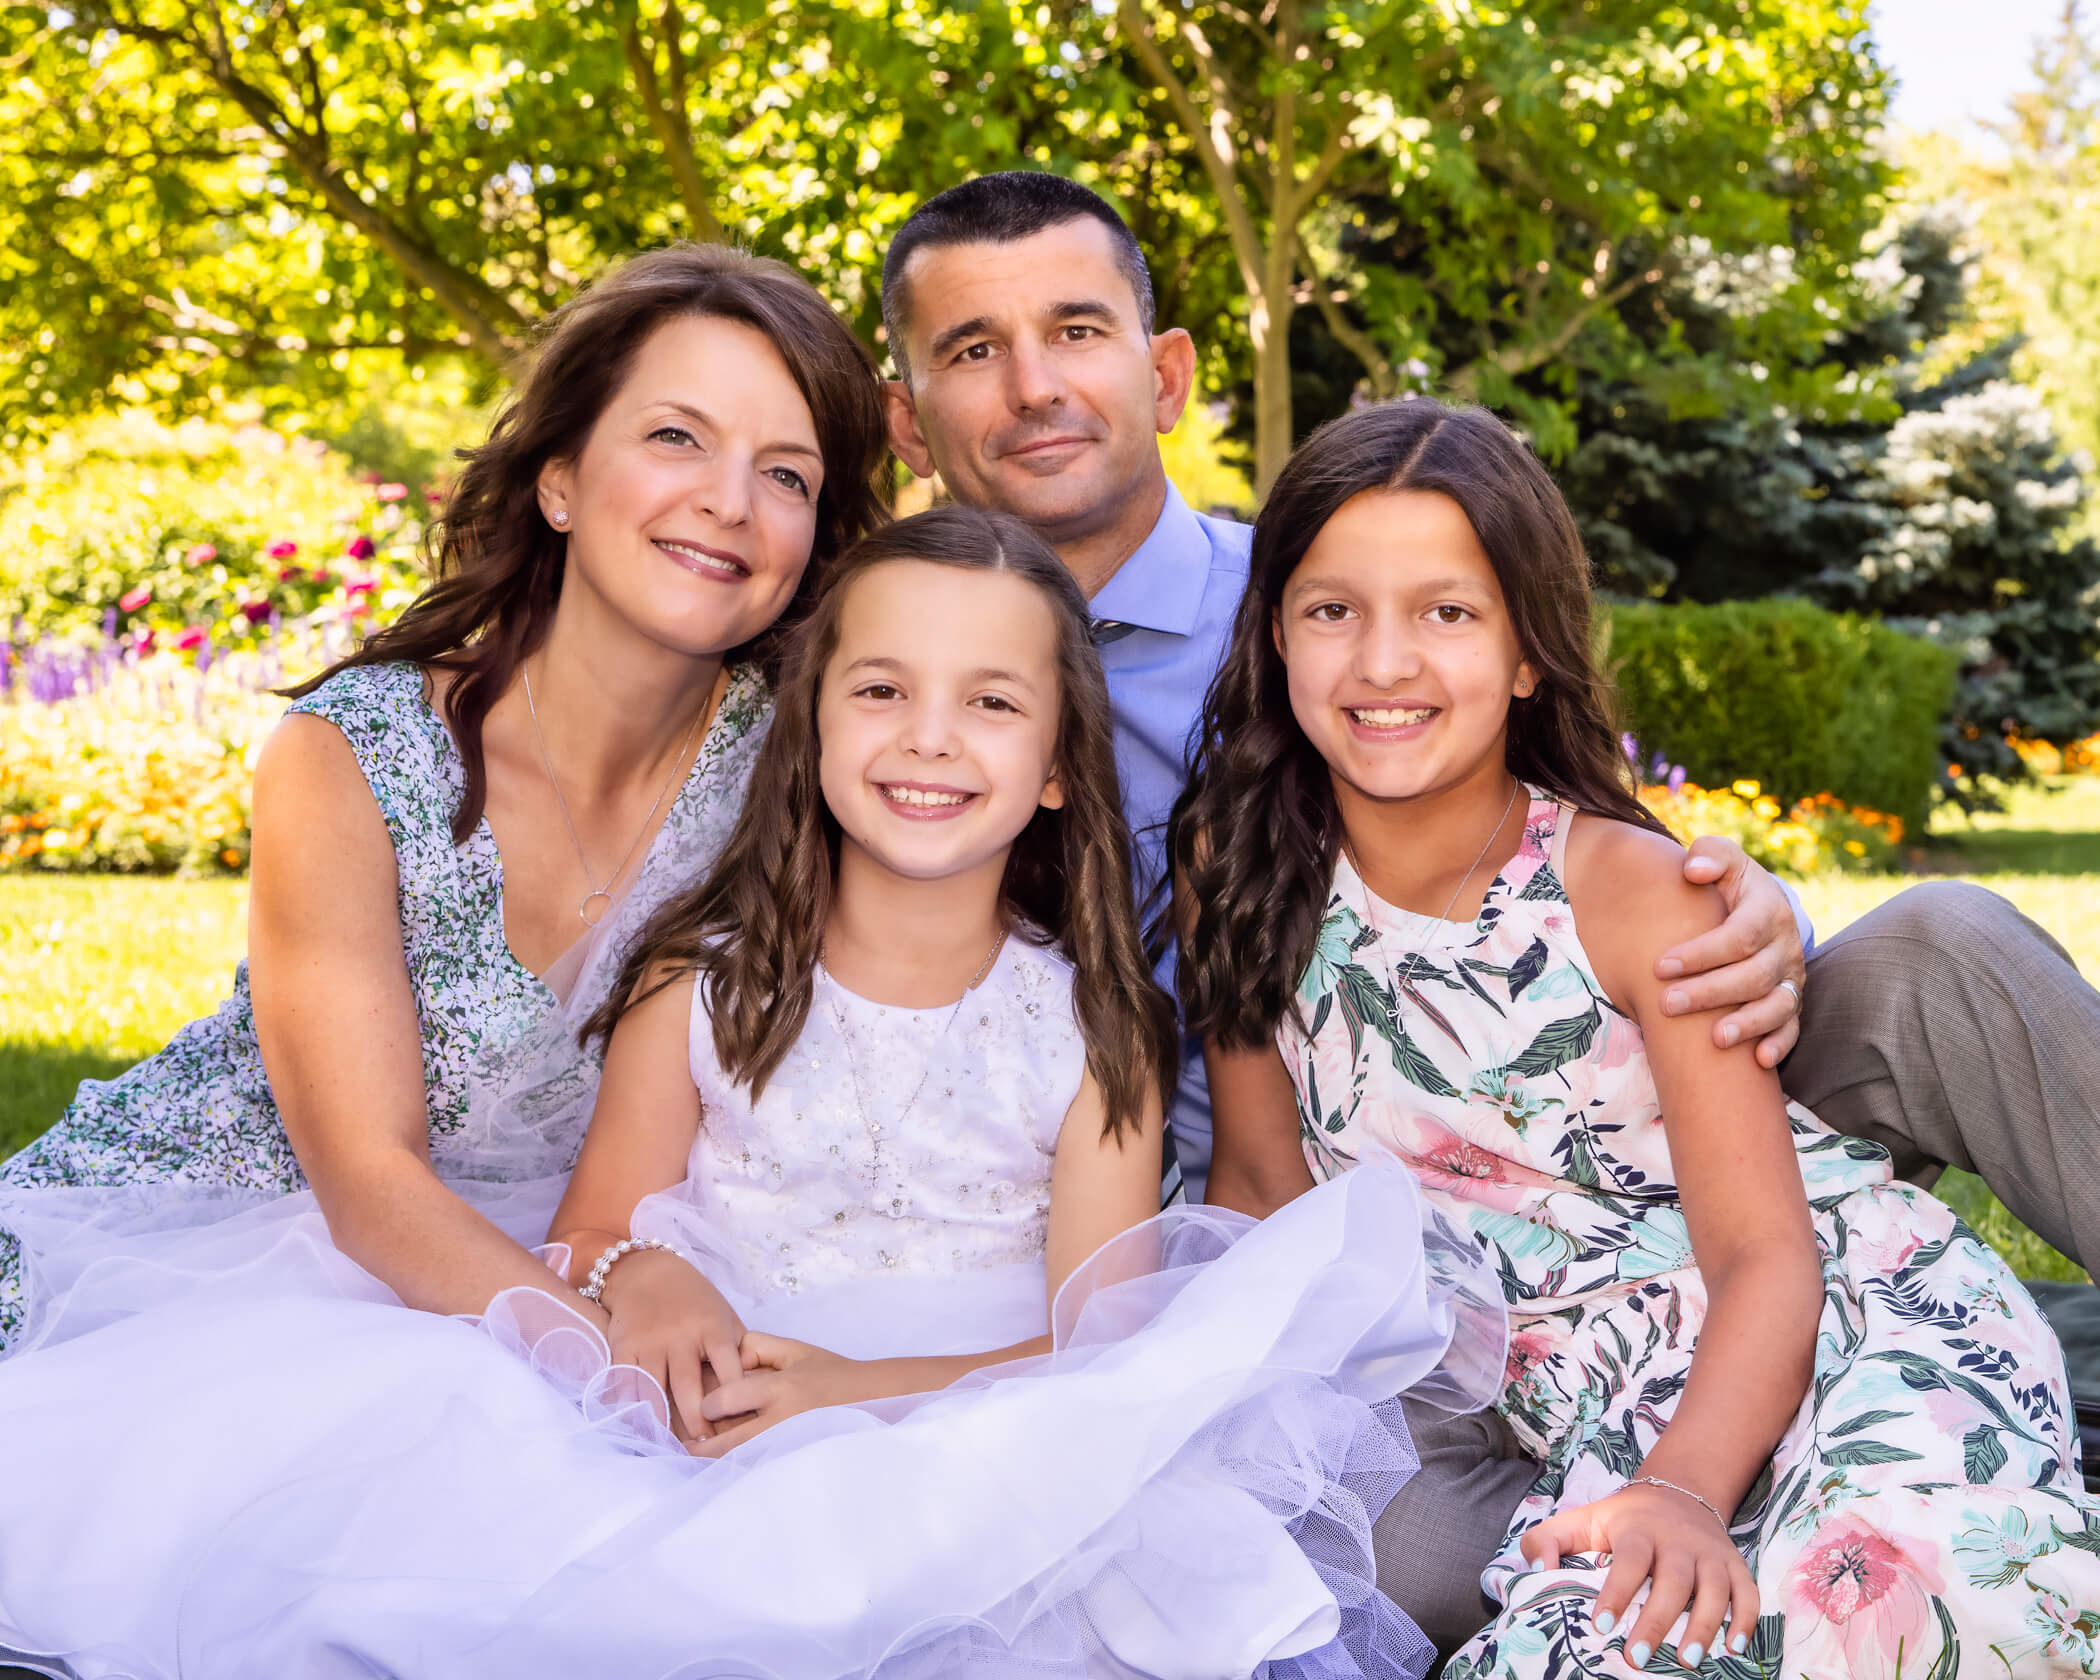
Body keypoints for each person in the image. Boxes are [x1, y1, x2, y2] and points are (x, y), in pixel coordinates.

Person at [876, 169, 2100, 1652]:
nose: (1032, 387)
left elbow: (1751, 1215)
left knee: (1933, 964)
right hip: (1412, 1283)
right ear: (906, 414)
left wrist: (1726, 901)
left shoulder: (1312, 568)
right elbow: (1254, 1185)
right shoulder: (876, 665)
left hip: (1677, 1154)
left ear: (1166, 371)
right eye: (970, 350)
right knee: (1273, 1559)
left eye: (1074, 329)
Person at [0, 507, 1500, 1679]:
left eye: (990, 704)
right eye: (882, 691)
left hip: (963, 1430)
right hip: (676, 1415)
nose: (928, 739)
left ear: (1056, 765)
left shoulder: (1092, 1031)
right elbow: (587, 1230)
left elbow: (1088, 1345)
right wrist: (640, 1282)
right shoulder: (705, 984)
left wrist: (856, 1394)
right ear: (814, 727)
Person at [1175, 397, 2100, 1678]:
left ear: (1525, 655)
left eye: (1448, 612)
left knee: (1890, 1595)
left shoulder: (1628, 893)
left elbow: (1765, 1254)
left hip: (1790, 1332)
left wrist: (1682, 1489)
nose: (1383, 662)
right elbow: (1263, 1183)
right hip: (1545, 1396)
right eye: (1333, 610)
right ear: (1277, 634)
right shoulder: (1237, 865)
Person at [0, 243, 892, 1358]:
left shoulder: (802, 768)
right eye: (677, 436)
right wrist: (609, 1377)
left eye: (787, 475)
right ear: (558, 479)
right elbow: (371, 1183)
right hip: (215, 1251)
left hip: (560, 1254)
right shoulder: (356, 754)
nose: (727, 501)